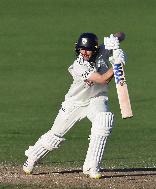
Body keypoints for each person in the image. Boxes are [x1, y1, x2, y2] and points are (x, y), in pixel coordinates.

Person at [22, 32, 127, 179]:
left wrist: (115, 39)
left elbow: (122, 34)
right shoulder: (79, 66)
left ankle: (92, 166)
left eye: (88, 49)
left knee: (104, 120)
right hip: (75, 103)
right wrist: (118, 64)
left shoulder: (102, 51)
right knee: (55, 135)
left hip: (96, 99)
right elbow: (103, 79)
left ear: (95, 49)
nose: (84, 52)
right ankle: (32, 157)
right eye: (81, 49)